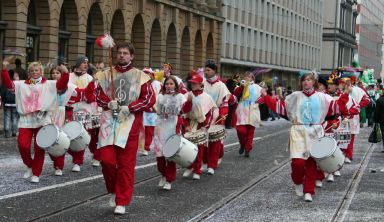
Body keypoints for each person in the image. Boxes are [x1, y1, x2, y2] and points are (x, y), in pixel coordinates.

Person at [262, 70, 359, 202]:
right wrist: (266, 97)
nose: (306, 82)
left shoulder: (323, 97)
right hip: (298, 131)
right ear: (301, 83)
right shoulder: (294, 96)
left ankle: (309, 190)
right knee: (298, 163)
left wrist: (345, 94)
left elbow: (337, 108)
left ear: (314, 82)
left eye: (309, 79)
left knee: (312, 162)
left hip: (315, 131)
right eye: (304, 80)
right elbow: (282, 108)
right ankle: (297, 181)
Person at [85, 42, 155, 215]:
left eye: (125, 53)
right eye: (119, 53)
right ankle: (114, 190)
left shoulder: (141, 76)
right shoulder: (106, 74)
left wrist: (130, 107)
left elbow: (149, 99)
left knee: (125, 164)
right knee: (106, 160)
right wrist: (107, 102)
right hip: (109, 121)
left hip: (130, 123)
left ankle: (122, 201)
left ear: (131, 56)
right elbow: (97, 95)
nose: (122, 55)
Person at [1, 59, 69, 183]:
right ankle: (30, 165)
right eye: (31, 70)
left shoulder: (49, 83)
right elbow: (9, 85)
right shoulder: (22, 84)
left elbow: (62, 85)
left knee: (39, 148)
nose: (34, 72)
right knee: (23, 145)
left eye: (36, 70)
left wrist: (65, 74)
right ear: (29, 72)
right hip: (26, 120)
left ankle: (36, 173)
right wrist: (4, 70)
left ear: (41, 71)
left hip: (42, 120)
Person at [67, 55, 100, 171]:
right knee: (72, 135)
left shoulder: (90, 78)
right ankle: (77, 159)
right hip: (70, 110)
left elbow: (92, 97)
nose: (85, 64)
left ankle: (94, 156)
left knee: (87, 135)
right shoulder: (69, 76)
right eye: (83, 62)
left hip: (86, 110)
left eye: (87, 62)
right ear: (78, 63)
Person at [152, 76, 186, 190]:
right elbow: (154, 107)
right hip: (160, 128)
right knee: (160, 155)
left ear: (176, 85)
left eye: (171, 84)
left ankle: (169, 180)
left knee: (170, 155)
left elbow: (185, 110)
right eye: (167, 84)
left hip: (173, 127)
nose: (169, 86)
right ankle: (163, 174)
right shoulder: (160, 96)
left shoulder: (180, 97)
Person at [182, 74, 216, 180]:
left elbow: (210, 113)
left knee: (200, 148)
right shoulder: (187, 95)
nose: (192, 84)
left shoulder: (207, 97)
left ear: (201, 84)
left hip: (201, 125)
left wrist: (206, 126)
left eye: (195, 83)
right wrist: (186, 125)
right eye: (191, 83)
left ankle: (197, 169)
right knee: (187, 148)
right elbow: (182, 112)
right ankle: (189, 166)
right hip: (189, 124)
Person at [47, 66, 77, 176]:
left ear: (62, 75)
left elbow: (78, 96)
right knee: (49, 141)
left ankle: (59, 166)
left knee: (60, 140)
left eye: (57, 73)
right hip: (50, 114)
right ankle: (57, 161)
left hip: (63, 115)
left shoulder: (69, 87)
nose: (54, 75)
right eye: (53, 73)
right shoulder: (48, 86)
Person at [203, 59, 231, 174]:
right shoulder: (202, 83)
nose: (206, 72)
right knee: (203, 140)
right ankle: (205, 161)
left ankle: (212, 165)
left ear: (214, 70)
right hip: (203, 115)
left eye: (208, 70)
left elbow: (225, 102)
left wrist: (223, 115)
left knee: (214, 142)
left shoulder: (221, 86)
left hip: (216, 116)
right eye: (205, 70)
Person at [233, 71, 262, 157]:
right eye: (245, 76)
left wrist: (260, 101)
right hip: (242, 110)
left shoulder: (257, 87)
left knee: (250, 132)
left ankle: (247, 149)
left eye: (249, 77)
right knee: (240, 130)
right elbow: (235, 94)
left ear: (252, 78)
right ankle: (242, 144)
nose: (247, 78)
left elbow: (263, 96)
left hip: (253, 110)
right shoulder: (240, 86)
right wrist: (242, 86)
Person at [141, 67, 162, 156]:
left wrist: (155, 107)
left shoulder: (157, 84)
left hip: (154, 110)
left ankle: (154, 147)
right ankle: (146, 147)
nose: (146, 75)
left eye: (147, 73)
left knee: (154, 131)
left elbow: (159, 96)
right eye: (144, 73)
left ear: (151, 74)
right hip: (146, 110)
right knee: (147, 130)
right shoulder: (142, 83)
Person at [0, 70, 19, 138]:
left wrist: (2, 102)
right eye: (16, 76)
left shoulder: (5, 83)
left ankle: (7, 133)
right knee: (14, 118)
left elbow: (2, 93)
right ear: (13, 76)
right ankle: (14, 131)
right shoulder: (17, 84)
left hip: (7, 103)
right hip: (15, 103)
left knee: (7, 118)